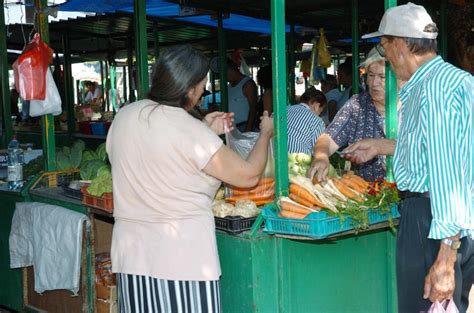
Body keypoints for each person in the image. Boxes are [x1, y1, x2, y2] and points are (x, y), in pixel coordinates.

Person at [106, 45, 274, 312]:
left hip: (132, 256)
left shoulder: (125, 115)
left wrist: (205, 130)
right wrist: (265, 134)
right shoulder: (188, 129)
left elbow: (160, 154)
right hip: (182, 259)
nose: (202, 92)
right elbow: (249, 175)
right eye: (202, 86)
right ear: (189, 89)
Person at [344, 3, 474, 312]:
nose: (385, 55)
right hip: (457, 221)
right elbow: (439, 148)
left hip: (432, 220)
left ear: (400, 44)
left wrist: (445, 254)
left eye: (384, 45)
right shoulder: (457, 80)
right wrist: (381, 146)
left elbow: (447, 172)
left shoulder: (433, 90)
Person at [308, 47, 387, 182]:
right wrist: (321, 156)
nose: (374, 83)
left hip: (409, 196)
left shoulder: (411, 106)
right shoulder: (357, 104)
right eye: (371, 75)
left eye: (382, 77)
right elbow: (327, 138)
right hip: (364, 195)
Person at [287, 87, 326, 155]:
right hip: (297, 162)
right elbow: (318, 152)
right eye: (320, 111)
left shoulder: (285, 109)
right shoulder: (317, 122)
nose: (319, 115)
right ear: (317, 106)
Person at [226, 59, 258, 132]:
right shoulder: (228, 87)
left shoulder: (248, 84)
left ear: (231, 71)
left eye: (226, 74)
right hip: (232, 127)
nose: (226, 78)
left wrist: (248, 129)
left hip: (244, 126)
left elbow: (253, 108)